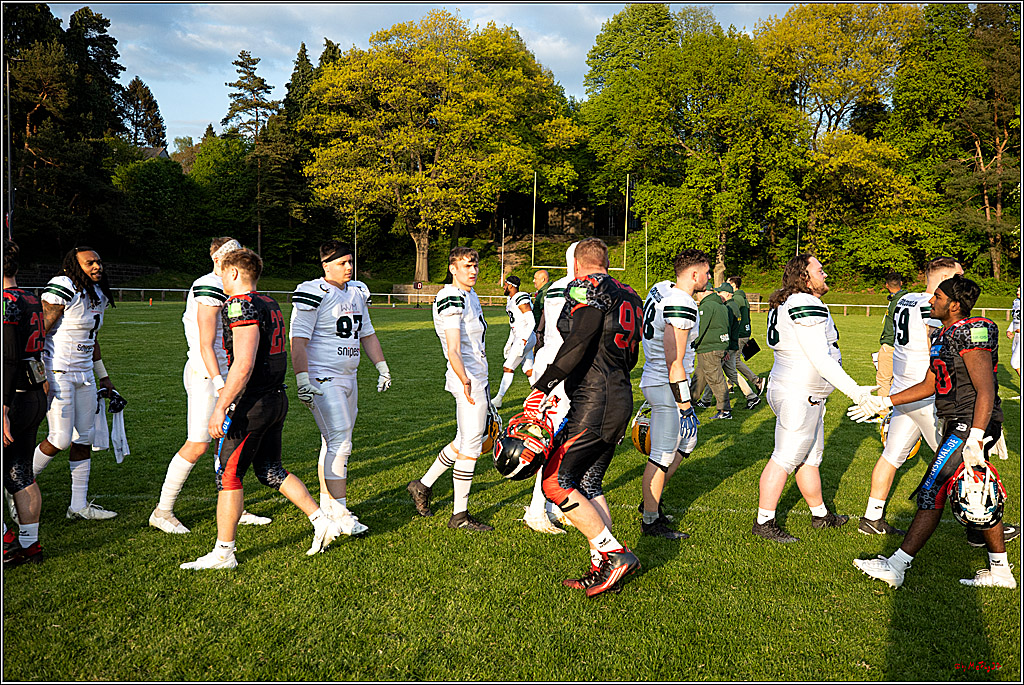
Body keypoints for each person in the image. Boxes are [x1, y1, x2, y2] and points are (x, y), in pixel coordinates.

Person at [180, 248, 343, 569]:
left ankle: (224, 553)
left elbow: (243, 363)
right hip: (275, 398)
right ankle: (323, 520)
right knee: (270, 471)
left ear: (236, 274)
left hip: (251, 402)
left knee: (228, 475)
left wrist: (221, 405)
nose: (222, 281)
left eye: (224, 274)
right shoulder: (269, 302)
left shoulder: (240, 305)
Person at [853, 275, 1016, 588]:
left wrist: (977, 436)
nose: (931, 300)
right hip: (957, 422)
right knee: (980, 494)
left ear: (954, 305)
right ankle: (1000, 571)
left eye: (937, 297)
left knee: (932, 489)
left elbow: (985, 389)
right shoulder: (944, 334)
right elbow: (930, 384)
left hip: (970, 424)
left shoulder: (972, 331)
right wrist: (885, 401)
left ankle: (897, 565)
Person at [525, 237, 644, 597]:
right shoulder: (632, 295)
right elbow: (632, 353)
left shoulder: (586, 287)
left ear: (576, 265)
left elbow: (577, 342)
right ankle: (602, 566)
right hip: (619, 393)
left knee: (555, 482)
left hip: (595, 400)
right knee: (589, 483)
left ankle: (613, 553)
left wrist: (542, 386)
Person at [753, 254, 880, 543]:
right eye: (819, 270)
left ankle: (820, 515)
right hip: (799, 392)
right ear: (804, 276)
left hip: (798, 389)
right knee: (785, 457)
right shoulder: (804, 303)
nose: (826, 275)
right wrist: (857, 392)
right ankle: (764, 522)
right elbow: (821, 360)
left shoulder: (790, 301)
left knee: (810, 457)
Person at [151, 237, 271, 534]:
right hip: (208, 375)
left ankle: (232, 505)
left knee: (229, 442)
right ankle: (162, 511)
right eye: (233, 254)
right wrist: (220, 384)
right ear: (219, 259)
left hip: (225, 374)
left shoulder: (230, 286)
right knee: (198, 444)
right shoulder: (209, 285)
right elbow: (206, 344)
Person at [290, 240, 392, 534]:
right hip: (323, 376)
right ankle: (341, 512)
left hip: (349, 376)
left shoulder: (358, 292)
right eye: (341, 263)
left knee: (333, 442)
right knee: (341, 443)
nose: (348, 267)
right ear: (325, 265)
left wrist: (381, 366)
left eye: (350, 262)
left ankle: (329, 506)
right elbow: (298, 340)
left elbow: (368, 334)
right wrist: (302, 378)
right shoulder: (314, 292)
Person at [856, 257, 960, 536]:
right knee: (959, 457)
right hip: (925, 394)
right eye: (957, 276)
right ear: (944, 277)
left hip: (902, 393)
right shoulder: (931, 305)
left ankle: (871, 517)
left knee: (890, 456)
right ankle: (979, 526)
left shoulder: (906, 299)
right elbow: (933, 343)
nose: (960, 281)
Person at [407, 247, 492, 531]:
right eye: (467, 265)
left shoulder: (470, 295)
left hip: (477, 375)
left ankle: (422, 485)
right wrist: (466, 380)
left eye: (476, 265)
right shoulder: (451, 295)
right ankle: (460, 516)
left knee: (462, 440)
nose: (473, 270)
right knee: (471, 447)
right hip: (466, 377)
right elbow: (453, 348)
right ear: (453, 268)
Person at [32, 247, 119, 520]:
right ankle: (17, 483)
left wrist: (103, 376)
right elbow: (38, 331)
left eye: (99, 262)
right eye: (90, 263)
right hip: (58, 371)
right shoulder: (63, 286)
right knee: (59, 437)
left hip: (85, 374)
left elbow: (92, 339)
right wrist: (37, 374)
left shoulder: (98, 293)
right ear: (74, 266)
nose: (97, 267)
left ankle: (78, 506)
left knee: (85, 437)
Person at [638, 249, 709, 540]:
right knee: (662, 455)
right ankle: (650, 518)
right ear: (694, 274)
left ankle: (651, 499)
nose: (708, 277)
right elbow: (674, 361)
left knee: (688, 441)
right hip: (666, 383)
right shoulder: (681, 303)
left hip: (660, 379)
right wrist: (685, 404)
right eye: (705, 272)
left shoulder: (663, 288)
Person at [522, 243, 578, 534]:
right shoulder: (579, 288)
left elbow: (540, 329)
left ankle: (553, 502)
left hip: (548, 363)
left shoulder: (554, 287)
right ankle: (536, 508)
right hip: (563, 369)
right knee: (553, 441)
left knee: (560, 439)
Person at [3, 240, 47, 565]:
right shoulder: (31, 297)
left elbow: (7, 359)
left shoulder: (5, 303)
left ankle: (5, 542)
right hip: (33, 394)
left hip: (12, 398)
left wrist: (2, 408)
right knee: (21, 471)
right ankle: (30, 546)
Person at [491, 275, 536, 408]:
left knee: (508, 367)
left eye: (505, 284)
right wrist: (509, 342)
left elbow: (531, 321)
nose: (504, 287)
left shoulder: (520, 297)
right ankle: (539, 393)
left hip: (525, 337)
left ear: (511, 285)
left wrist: (523, 340)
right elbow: (514, 325)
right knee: (528, 369)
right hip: (520, 336)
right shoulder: (510, 299)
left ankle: (498, 399)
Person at [690, 288, 732, 420]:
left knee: (716, 379)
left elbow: (700, 329)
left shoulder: (707, 306)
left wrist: (692, 344)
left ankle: (724, 410)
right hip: (718, 346)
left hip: (708, 347)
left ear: (704, 292)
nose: (696, 295)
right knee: (700, 376)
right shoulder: (722, 306)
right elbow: (727, 326)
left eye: (697, 292)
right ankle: (690, 401)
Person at [726, 276, 765, 396]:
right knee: (731, 360)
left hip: (739, 334)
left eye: (728, 284)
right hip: (744, 333)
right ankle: (729, 385)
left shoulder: (736, 299)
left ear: (733, 285)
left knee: (733, 361)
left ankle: (756, 381)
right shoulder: (742, 297)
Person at [876, 272, 908, 396]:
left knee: (883, 380)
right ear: (901, 283)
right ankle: (895, 411)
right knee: (898, 381)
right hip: (904, 346)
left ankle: (883, 413)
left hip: (890, 344)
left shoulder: (895, 301)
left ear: (886, 285)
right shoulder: (908, 299)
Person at [1009, 286, 1020, 399]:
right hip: (1017, 336)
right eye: (1017, 290)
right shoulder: (1016, 302)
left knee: (1015, 363)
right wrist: (1009, 329)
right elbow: (1015, 319)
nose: (1017, 292)